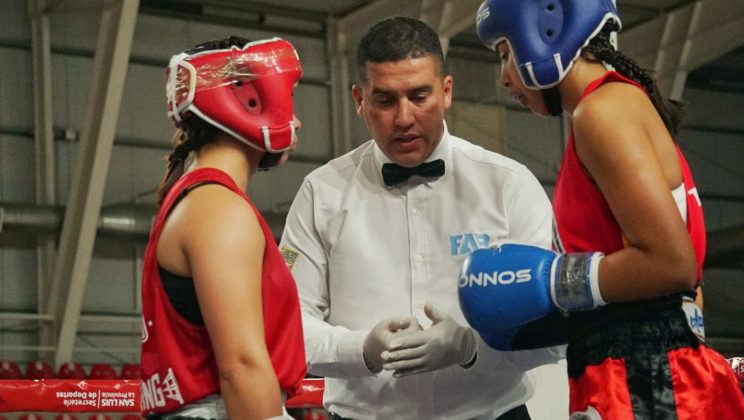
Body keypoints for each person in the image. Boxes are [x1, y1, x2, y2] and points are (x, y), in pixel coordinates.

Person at [460, 0, 744, 418]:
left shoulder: (603, 111)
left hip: (645, 378)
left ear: (546, 32)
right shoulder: (611, 108)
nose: (504, 78)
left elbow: (673, 265)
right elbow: (681, 296)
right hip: (643, 371)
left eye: (505, 54)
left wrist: (551, 281)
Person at [279, 16, 564, 420]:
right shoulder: (321, 193)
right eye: (385, 100)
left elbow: (551, 331)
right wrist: (361, 349)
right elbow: (288, 329)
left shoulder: (508, 186)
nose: (404, 117)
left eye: (419, 96)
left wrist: (470, 347)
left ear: (446, 91)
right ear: (359, 99)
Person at [140, 36, 307, 419]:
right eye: (290, 98)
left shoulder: (199, 198)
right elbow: (242, 365)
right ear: (251, 101)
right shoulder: (219, 209)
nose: (296, 120)